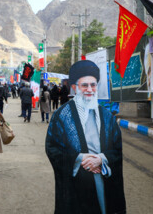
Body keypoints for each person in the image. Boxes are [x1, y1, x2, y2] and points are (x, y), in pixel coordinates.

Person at [46, 60, 126, 214]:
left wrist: (102, 159)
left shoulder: (107, 116)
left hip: (102, 175)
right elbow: (52, 149)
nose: (90, 89)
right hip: (76, 182)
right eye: (85, 85)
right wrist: (79, 159)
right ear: (75, 88)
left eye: (93, 85)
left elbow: (117, 148)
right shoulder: (61, 116)